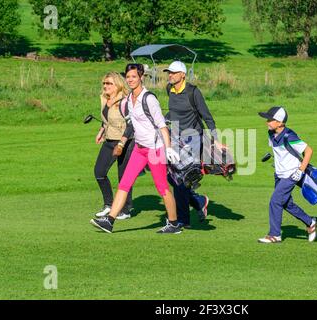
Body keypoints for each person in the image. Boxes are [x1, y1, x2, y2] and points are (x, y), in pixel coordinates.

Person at [90, 63, 182, 234]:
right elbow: (131, 126)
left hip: (155, 150)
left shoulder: (149, 99)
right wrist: (121, 142)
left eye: (134, 76)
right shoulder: (128, 101)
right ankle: (109, 221)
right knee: (124, 183)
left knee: (162, 188)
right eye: (128, 77)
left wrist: (168, 149)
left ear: (141, 77)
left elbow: (162, 126)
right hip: (139, 149)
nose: (130, 80)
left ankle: (174, 223)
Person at [164, 61, 222, 228]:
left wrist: (215, 140)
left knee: (180, 179)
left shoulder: (193, 92)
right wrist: (165, 119)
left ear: (182, 74)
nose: (170, 75)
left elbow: (207, 116)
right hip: (175, 139)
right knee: (172, 177)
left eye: (173, 73)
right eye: (169, 72)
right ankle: (198, 201)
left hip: (193, 140)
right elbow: (175, 111)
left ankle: (183, 219)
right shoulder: (170, 89)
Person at [257, 106, 317, 243]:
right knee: (285, 203)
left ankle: (275, 235)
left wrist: (300, 171)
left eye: (270, 119)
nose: (267, 122)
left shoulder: (290, 136)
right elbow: (280, 151)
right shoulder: (270, 133)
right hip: (279, 174)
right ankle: (310, 222)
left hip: (291, 174)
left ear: (280, 123)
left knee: (275, 201)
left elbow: (308, 151)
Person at [93, 72, 134, 220]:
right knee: (99, 172)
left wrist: (122, 143)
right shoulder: (104, 98)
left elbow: (131, 124)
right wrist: (101, 131)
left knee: (123, 176)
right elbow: (106, 119)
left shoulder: (125, 101)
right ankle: (109, 205)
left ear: (117, 84)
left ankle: (126, 209)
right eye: (104, 83)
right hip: (109, 140)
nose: (105, 86)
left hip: (126, 141)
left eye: (109, 83)